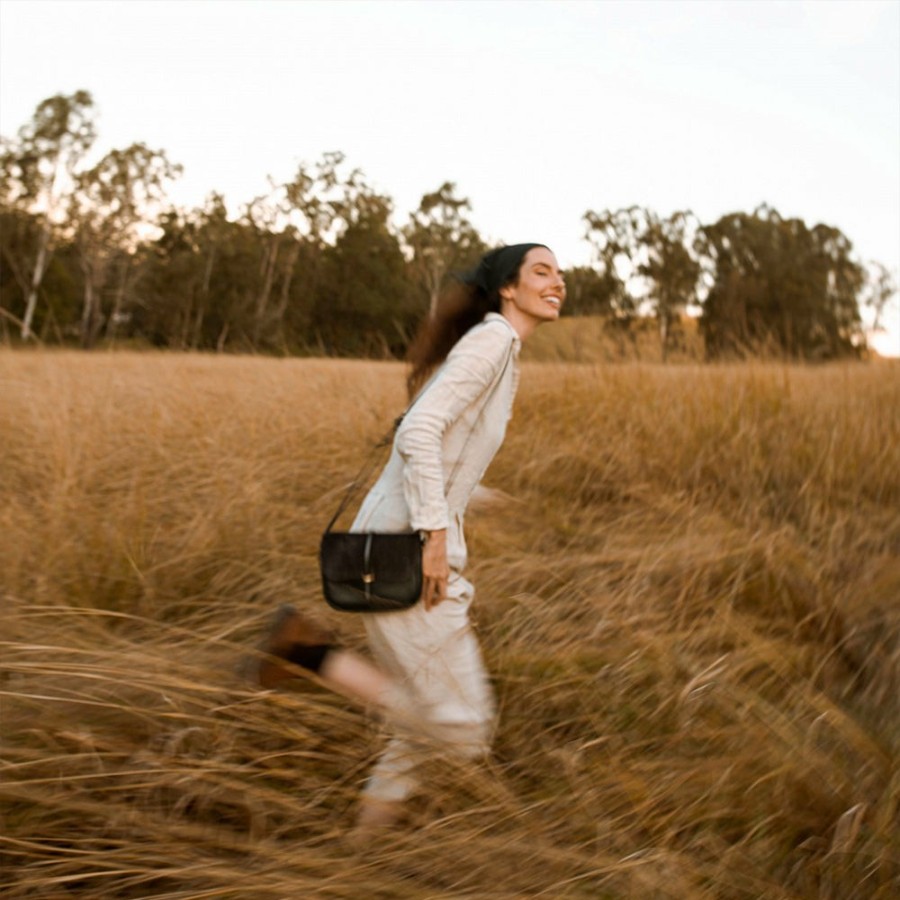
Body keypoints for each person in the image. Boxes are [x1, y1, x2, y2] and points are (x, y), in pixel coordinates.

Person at [251, 243, 566, 837]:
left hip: (398, 535)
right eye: (542, 272)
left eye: (560, 273)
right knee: (462, 728)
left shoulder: (499, 347)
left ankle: (359, 860)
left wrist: (471, 495)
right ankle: (306, 653)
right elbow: (419, 430)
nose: (558, 282)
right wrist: (435, 534)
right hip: (407, 549)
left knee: (417, 726)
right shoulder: (494, 341)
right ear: (507, 287)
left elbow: (440, 443)